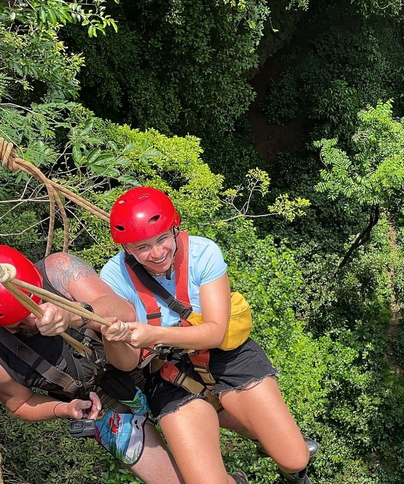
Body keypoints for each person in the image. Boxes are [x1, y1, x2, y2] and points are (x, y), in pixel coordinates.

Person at [100, 186, 314, 484]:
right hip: (166, 371)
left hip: (226, 354)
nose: (157, 253)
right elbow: (125, 364)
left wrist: (151, 334)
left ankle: (289, 465)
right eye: (142, 248)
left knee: (295, 457)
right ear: (127, 249)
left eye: (162, 239)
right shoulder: (112, 277)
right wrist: (113, 337)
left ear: (175, 230)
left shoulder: (203, 253)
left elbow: (214, 332)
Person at [0, 245, 183, 484]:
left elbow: (125, 312)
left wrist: (72, 315)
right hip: (108, 411)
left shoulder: (58, 270)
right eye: (21, 321)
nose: (35, 317)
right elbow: (20, 403)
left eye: (34, 303)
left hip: (150, 366)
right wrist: (64, 409)